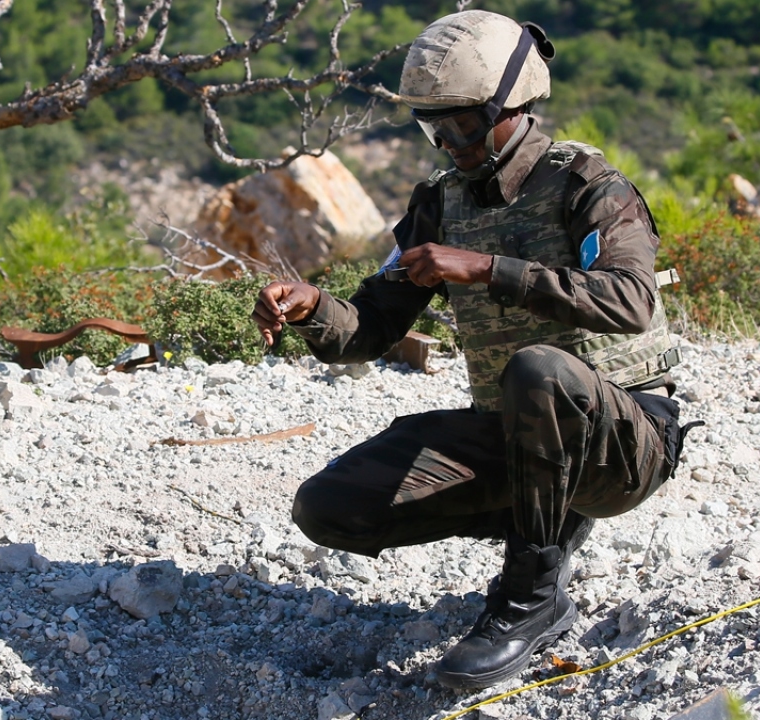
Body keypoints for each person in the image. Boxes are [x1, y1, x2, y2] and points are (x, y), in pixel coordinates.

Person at [250, 10, 699, 690]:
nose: (447, 143)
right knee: (329, 505)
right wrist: (314, 308)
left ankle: (531, 594)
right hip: (519, 437)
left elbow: (631, 302)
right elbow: (371, 326)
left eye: (461, 124)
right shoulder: (439, 203)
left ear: (509, 107)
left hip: (625, 439)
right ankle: (547, 517)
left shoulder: (586, 185)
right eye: (433, 128)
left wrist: (487, 268)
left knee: (538, 368)